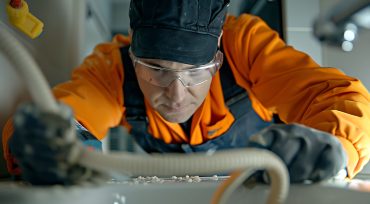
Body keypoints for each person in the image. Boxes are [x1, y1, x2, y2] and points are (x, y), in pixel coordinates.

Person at [3, 0, 370, 185]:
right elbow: (64, 113)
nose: (176, 96)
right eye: (156, 71)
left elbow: (340, 99)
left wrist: (333, 147)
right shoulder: (111, 67)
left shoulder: (244, 44)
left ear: (218, 59)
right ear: (133, 60)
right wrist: (59, 144)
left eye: (196, 73)